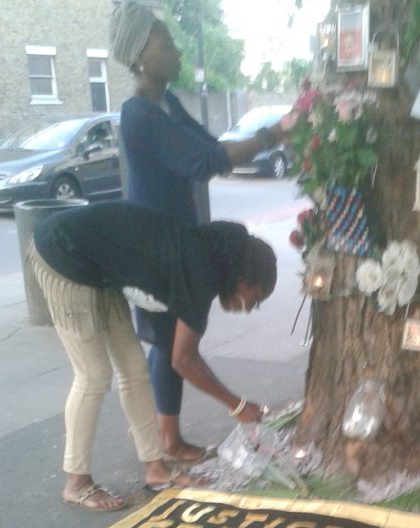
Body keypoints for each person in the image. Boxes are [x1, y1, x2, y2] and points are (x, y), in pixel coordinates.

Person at [111, 1, 294, 463]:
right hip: (152, 248)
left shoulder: (167, 104)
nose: (174, 51)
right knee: (167, 342)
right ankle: (166, 441)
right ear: (139, 56)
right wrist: (275, 133)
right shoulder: (139, 115)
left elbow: (210, 146)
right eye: (165, 43)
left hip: (178, 238)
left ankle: (170, 438)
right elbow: (206, 162)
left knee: (171, 336)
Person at [28, 200, 277, 511]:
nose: (250, 307)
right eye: (255, 299)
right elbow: (183, 360)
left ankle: (155, 468)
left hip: (97, 268)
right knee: (93, 375)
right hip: (62, 253)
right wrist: (237, 405)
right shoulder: (200, 273)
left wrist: (236, 404)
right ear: (244, 279)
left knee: (134, 371)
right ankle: (76, 482)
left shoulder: (211, 256)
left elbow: (185, 355)